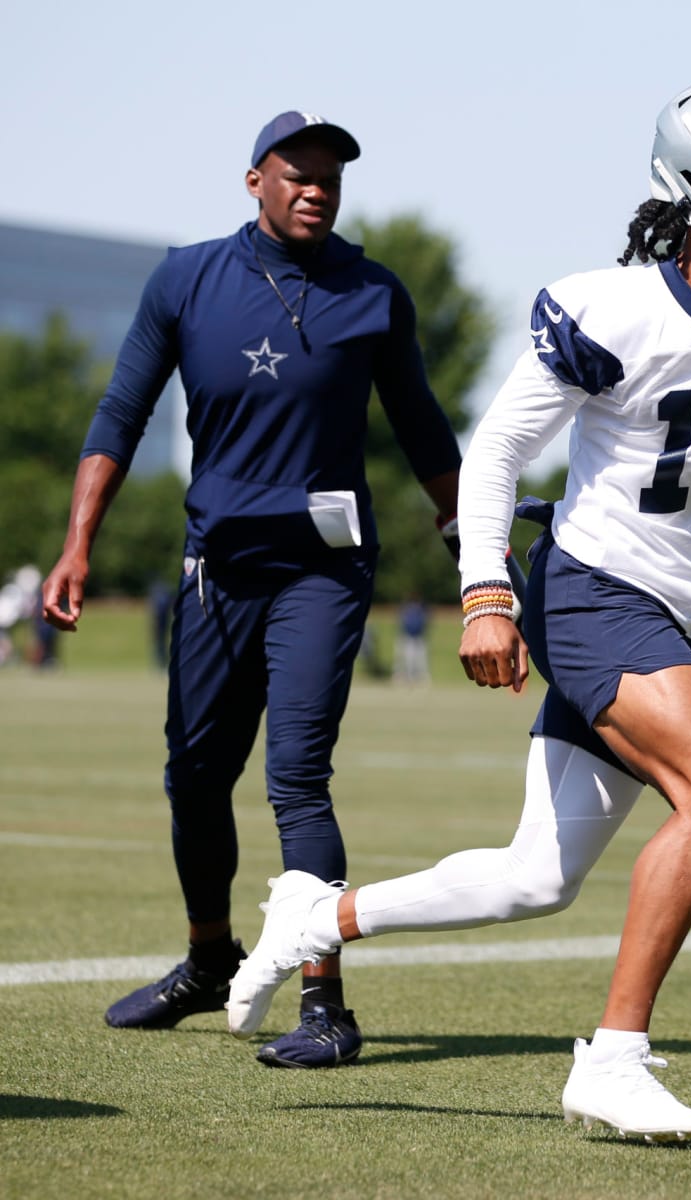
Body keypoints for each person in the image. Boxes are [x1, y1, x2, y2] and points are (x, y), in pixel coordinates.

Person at [227, 77, 691, 1136]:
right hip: (594, 591)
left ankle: (317, 917)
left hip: (682, 620)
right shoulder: (608, 306)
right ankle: (613, 1061)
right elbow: (496, 456)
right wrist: (485, 591)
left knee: (536, 878)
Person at [41, 111, 463, 1069]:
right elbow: (120, 413)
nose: (316, 188)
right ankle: (206, 962)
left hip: (322, 569)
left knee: (296, 779)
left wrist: (468, 547)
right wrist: (76, 549)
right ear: (254, 181)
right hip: (215, 568)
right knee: (192, 777)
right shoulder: (186, 278)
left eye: (330, 178)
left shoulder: (375, 293)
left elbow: (424, 429)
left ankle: (326, 1007)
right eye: (297, 173)